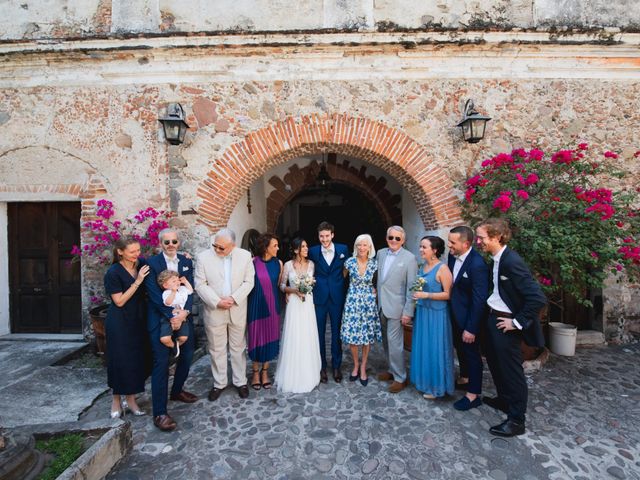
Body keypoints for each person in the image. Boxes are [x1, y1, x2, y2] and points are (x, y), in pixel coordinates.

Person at [476, 218, 546, 437]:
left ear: (497, 237)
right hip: (493, 318)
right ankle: (504, 400)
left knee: (511, 371)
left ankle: (517, 420)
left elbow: (537, 298)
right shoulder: (495, 259)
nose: (478, 241)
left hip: (505, 324)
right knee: (496, 365)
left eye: (482, 237)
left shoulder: (511, 261)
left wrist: (515, 322)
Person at [144, 228, 196, 432]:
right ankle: (160, 412)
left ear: (179, 242)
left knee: (188, 353)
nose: (171, 245)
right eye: (167, 242)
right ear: (160, 244)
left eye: (174, 241)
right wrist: (171, 316)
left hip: (182, 316)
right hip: (160, 317)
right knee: (161, 362)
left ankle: (177, 390)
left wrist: (185, 313)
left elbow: (189, 289)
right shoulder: (152, 263)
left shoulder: (186, 261)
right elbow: (154, 294)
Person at [195, 228, 255, 402]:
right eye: (215, 246)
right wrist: (216, 301)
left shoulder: (244, 256)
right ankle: (219, 383)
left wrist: (234, 298)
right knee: (216, 348)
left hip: (237, 308)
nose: (217, 250)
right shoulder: (203, 257)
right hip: (214, 310)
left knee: (238, 347)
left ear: (233, 245)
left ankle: (240, 381)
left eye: (222, 248)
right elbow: (200, 284)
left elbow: (249, 281)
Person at [104, 237, 149, 419]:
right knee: (119, 360)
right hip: (119, 321)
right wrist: (137, 281)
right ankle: (116, 399)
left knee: (135, 360)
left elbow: (159, 262)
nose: (136, 255)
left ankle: (130, 400)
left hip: (138, 319)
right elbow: (119, 301)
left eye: (138, 251)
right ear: (120, 252)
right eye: (132, 252)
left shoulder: (140, 263)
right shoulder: (113, 272)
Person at [447, 226, 489, 411]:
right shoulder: (451, 256)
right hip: (454, 315)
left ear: (466, 243)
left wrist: (471, 328)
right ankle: (464, 378)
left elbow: (479, 300)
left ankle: (473, 395)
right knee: (460, 349)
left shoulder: (477, 265)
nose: (449, 245)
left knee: (472, 355)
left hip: (469, 319)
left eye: (453, 242)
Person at [275, 237, 322, 393]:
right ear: (296, 250)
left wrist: (306, 289)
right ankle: (292, 374)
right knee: (294, 336)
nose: (306, 249)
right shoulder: (288, 265)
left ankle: (310, 374)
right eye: (303, 247)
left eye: (306, 246)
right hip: (294, 305)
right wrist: (293, 291)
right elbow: (282, 285)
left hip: (307, 303)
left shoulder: (311, 265)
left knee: (307, 336)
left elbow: (311, 284)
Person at [410, 236, 455, 399]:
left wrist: (425, 294)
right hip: (423, 313)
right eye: (420, 246)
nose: (421, 249)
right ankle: (424, 382)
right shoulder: (423, 266)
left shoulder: (442, 268)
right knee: (424, 348)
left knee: (436, 349)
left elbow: (448, 294)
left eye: (424, 247)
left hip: (436, 315)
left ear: (434, 250)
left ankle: (437, 387)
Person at [376, 226, 418, 393]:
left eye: (397, 239)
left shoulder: (410, 258)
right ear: (386, 238)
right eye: (391, 237)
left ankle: (400, 378)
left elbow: (412, 287)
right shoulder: (380, 253)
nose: (393, 241)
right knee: (386, 342)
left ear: (403, 241)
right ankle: (392, 370)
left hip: (397, 308)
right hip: (381, 305)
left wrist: (408, 312)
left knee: (395, 344)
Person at [308, 221, 349, 383]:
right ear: (318, 236)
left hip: (337, 297)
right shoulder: (312, 251)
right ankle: (322, 366)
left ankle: (337, 366)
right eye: (321, 236)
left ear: (332, 235)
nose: (324, 239)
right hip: (319, 297)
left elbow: (347, 268)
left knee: (336, 332)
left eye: (327, 236)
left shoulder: (343, 249)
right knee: (318, 333)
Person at [340, 234, 381, 387]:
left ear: (370, 247)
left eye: (365, 245)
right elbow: (341, 281)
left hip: (368, 303)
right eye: (359, 245)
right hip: (352, 302)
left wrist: (376, 291)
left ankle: (364, 366)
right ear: (355, 247)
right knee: (353, 336)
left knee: (366, 336)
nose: (362, 248)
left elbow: (379, 282)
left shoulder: (374, 264)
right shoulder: (349, 262)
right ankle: (355, 365)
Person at [247, 233, 283, 391]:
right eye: (275, 245)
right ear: (265, 247)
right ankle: (255, 372)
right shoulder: (252, 263)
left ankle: (265, 372)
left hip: (273, 306)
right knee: (256, 338)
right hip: (256, 305)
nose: (278, 248)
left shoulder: (279, 264)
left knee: (270, 337)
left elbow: (279, 285)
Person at [157, 269, 193, 358]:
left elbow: (191, 291)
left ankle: (177, 344)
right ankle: (173, 347)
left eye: (177, 280)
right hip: (169, 318)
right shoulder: (167, 293)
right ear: (165, 285)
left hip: (182, 317)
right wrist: (173, 292)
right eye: (173, 281)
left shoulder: (182, 289)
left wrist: (185, 282)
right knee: (164, 339)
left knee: (184, 337)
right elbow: (168, 303)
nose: (177, 282)